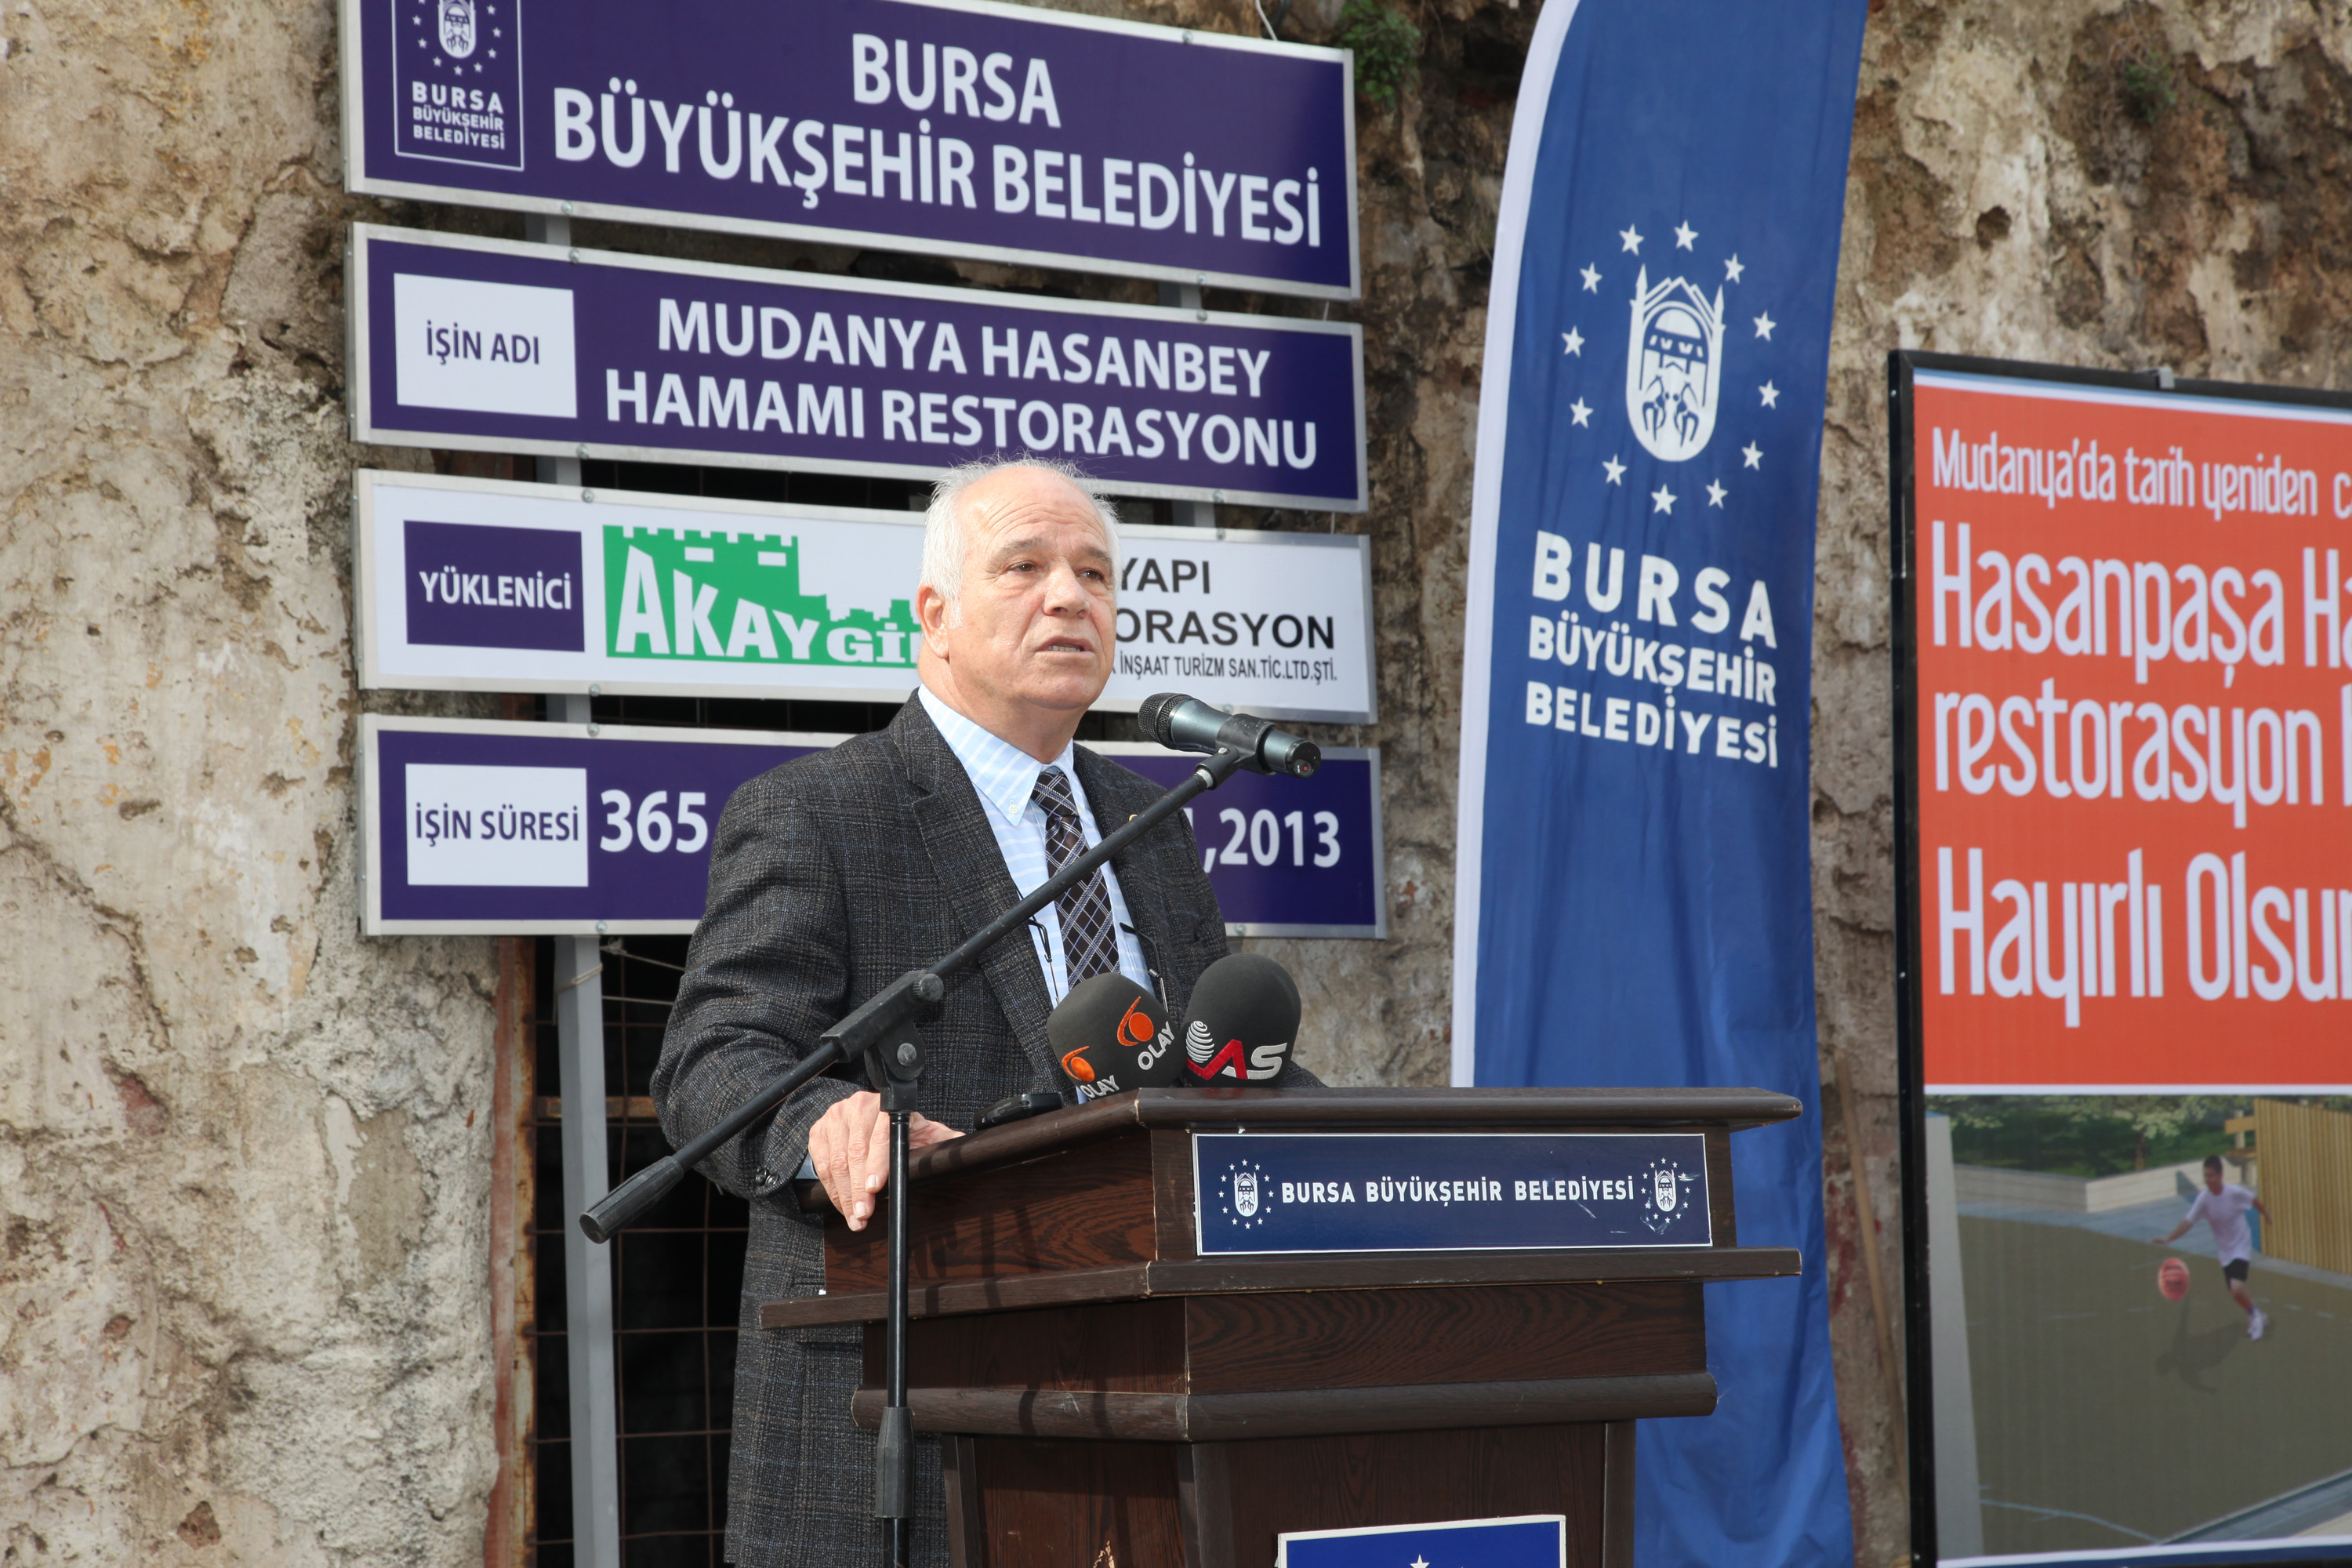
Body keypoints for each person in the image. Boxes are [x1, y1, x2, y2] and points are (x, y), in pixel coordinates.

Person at [653, 458, 1319, 1568]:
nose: (1070, 597)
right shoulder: (821, 811)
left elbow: (1202, 1063)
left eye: (1095, 574)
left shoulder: (1152, 820)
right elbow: (714, 1059)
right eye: (1025, 567)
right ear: (936, 616)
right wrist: (823, 1122)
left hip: (1142, 1395)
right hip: (902, 1409)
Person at [2154, 1154, 2272, 1340]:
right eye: (2205, 1176)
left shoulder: (2234, 1192)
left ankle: (2256, 1318)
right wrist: (2169, 1237)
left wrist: (2266, 1214)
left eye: (2211, 1176)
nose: (2208, 1180)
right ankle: (2256, 1313)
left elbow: (2253, 1200)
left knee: (2236, 1287)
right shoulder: (2204, 1199)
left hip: (2241, 1244)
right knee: (2235, 1293)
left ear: (2220, 1175)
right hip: (2225, 1251)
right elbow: (2188, 1221)